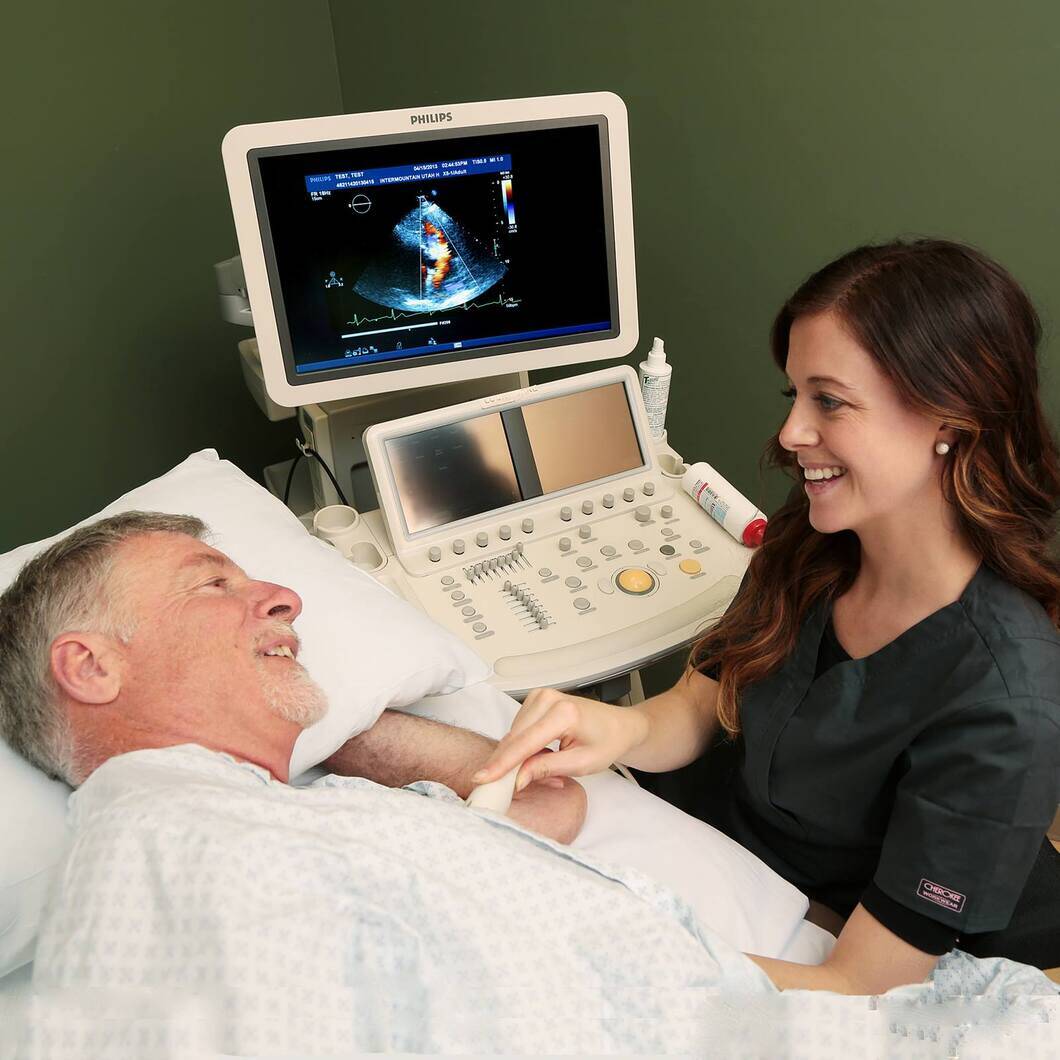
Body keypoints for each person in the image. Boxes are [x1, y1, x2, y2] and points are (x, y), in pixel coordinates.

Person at [473, 238, 1060, 993]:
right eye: (795, 396)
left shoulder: (1007, 703)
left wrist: (600, 961)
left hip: (872, 943)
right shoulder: (821, 538)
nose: (791, 434)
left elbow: (859, 985)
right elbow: (708, 699)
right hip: (744, 849)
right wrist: (622, 727)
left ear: (950, 418)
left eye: (830, 401)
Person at [0, 511, 586, 844]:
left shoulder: (303, 823)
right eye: (212, 585)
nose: (288, 599)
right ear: (91, 667)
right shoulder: (171, 866)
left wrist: (316, 727)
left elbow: (544, 801)